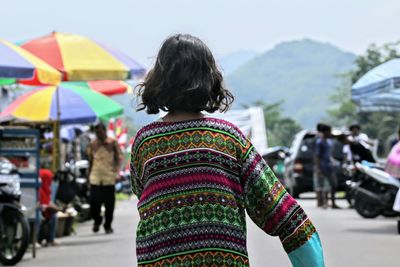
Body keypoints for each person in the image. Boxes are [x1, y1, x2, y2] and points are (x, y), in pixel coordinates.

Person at [130, 34, 324, 267]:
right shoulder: (228, 137)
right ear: (209, 78)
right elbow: (282, 213)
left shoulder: (145, 141)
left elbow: (140, 191)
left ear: (159, 80)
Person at [87, 123, 122, 234]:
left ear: (104, 131)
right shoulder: (92, 144)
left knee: (109, 205)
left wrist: (117, 172)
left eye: (100, 132)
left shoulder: (112, 142)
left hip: (109, 177)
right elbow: (90, 160)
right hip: (95, 177)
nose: (98, 134)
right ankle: (97, 221)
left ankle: (108, 225)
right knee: (94, 203)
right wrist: (88, 175)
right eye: (97, 132)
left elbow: (119, 158)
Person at [314, 124, 339, 209]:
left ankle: (332, 203)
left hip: (329, 166)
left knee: (333, 185)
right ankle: (326, 202)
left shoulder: (328, 141)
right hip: (323, 166)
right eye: (329, 131)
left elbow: (328, 155)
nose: (330, 133)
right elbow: (317, 156)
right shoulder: (320, 142)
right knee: (325, 185)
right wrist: (318, 169)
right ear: (325, 132)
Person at [38, 168, 60, 246]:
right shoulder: (39, 189)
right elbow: (42, 203)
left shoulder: (46, 188)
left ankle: (51, 239)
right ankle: (36, 240)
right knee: (38, 217)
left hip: (44, 209)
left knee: (54, 216)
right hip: (38, 209)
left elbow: (47, 201)